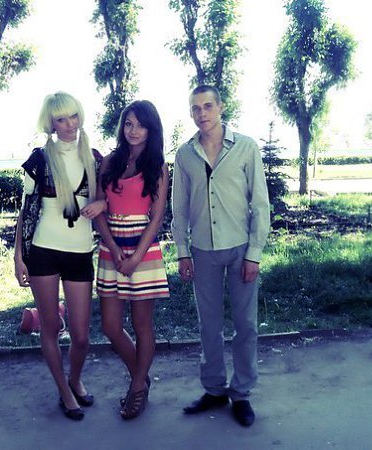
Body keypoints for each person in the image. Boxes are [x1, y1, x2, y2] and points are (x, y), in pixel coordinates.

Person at [171, 85, 270, 427]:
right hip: (202, 251)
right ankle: (214, 389)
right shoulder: (185, 155)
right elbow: (179, 208)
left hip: (240, 248)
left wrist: (254, 253)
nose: (202, 113)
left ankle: (241, 393)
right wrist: (182, 252)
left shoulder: (246, 147)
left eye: (208, 106)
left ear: (221, 107)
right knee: (209, 326)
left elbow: (260, 203)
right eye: (195, 108)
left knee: (246, 325)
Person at [13, 92, 105, 421]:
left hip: (80, 252)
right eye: (61, 119)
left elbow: (107, 197)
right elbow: (26, 211)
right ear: (51, 123)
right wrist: (19, 257)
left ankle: (75, 380)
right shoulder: (39, 159)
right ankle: (64, 392)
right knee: (50, 327)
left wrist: (102, 204)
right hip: (44, 252)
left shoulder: (94, 158)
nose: (69, 124)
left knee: (81, 335)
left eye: (73, 116)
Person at [95, 100, 170, 420]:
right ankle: (141, 375)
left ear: (151, 129)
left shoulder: (158, 166)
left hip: (143, 250)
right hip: (111, 249)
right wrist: (113, 249)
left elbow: (157, 216)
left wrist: (136, 256)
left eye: (141, 125)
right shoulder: (109, 162)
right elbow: (99, 209)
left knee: (142, 325)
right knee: (111, 326)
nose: (134, 130)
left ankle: (137, 387)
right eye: (128, 124)